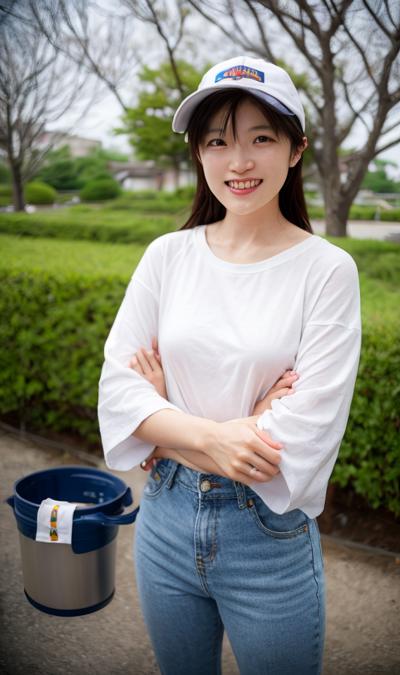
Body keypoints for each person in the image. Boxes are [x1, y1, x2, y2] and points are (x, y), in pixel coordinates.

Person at [98, 54, 362, 675]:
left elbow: (305, 433)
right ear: (199, 153)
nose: (237, 162)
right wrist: (224, 433)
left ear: (295, 149)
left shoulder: (325, 270)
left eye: (260, 139)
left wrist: (163, 424)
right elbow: (117, 392)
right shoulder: (167, 256)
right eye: (217, 141)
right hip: (162, 521)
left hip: (265, 538)